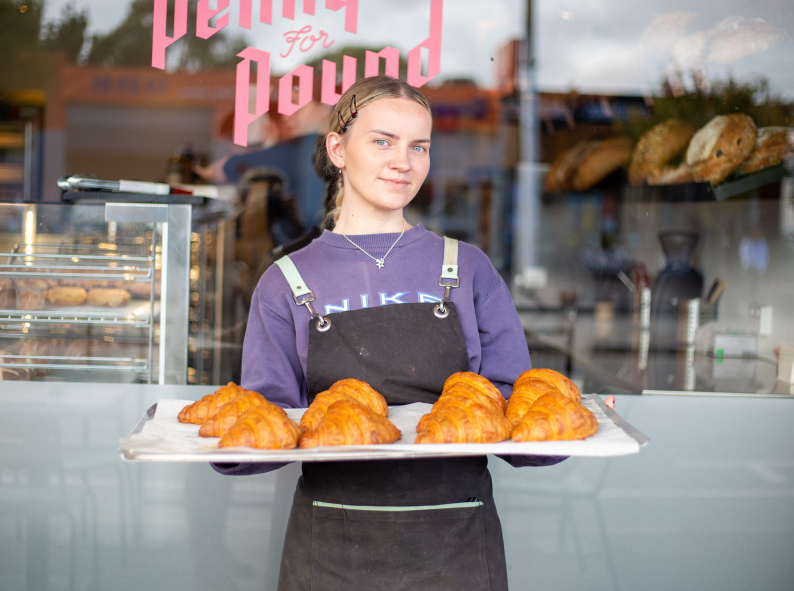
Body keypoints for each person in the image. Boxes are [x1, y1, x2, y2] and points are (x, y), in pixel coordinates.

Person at [214, 76, 565, 591]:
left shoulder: (468, 268)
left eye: (418, 146)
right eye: (383, 141)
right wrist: (222, 447)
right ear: (338, 149)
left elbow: (518, 416)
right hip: (332, 550)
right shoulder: (286, 281)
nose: (403, 162)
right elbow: (269, 423)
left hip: (458, 547)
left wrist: (567, 430)